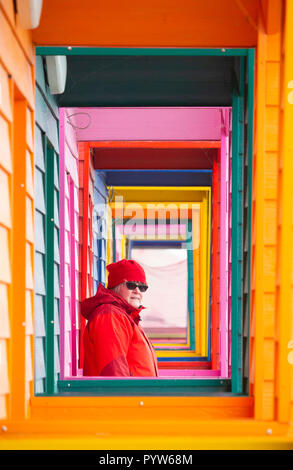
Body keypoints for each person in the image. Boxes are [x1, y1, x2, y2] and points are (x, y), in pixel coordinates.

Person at [81, 259, 159, 377]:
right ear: (116, 286)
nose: (137, 291)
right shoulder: (110, 316)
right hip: (124, 394)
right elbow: (113, 370)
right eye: (131, 285)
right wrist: (123, 395)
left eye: (142, 287)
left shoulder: (127, 316)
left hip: (138, 394)